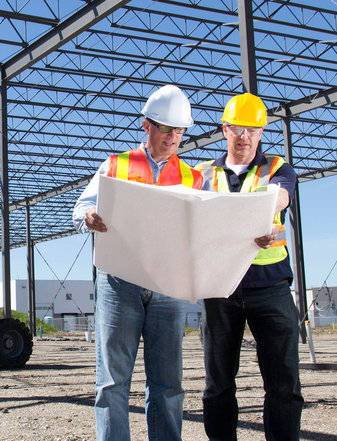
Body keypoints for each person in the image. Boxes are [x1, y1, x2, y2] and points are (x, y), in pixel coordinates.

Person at [72, 85, 205, 441]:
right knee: (112, 381)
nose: (173, 137)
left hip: (168, 286)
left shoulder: (194, 177)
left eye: (179, 131)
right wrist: (89, 215)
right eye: (166, 129)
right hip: (119, 283)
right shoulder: (117, 164)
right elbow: (79, 209)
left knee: (168, 383)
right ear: (146, 125)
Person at [195, 93, 304, 441]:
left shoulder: (277, 168)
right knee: (218, 384)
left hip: (270, 289)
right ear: (224, 129)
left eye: (253, 130)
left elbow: (282, 194)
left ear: (261, 133)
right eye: (238, 129)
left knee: (283, 382)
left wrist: (269, 213)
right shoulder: (202, 174)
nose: (245, 137)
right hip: (220, 288)